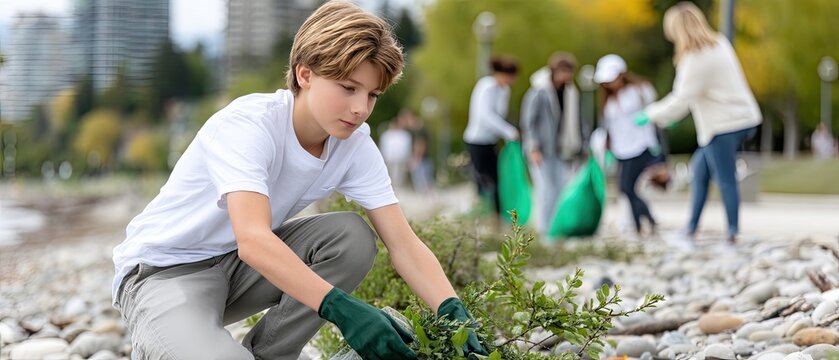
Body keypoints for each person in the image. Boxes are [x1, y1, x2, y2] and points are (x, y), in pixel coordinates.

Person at [111, 2, 486, 359]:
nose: (360, 108)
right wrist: (342, 310)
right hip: (163, 274)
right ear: (305, 73)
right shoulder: (248, 125)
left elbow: (403, 243)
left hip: (237, 271)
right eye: (348, 88)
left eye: (372, 94)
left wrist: (453, 311)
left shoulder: (354, 145)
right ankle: (166, 336)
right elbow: (254, 241)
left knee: (350, 237)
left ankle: (273, 353)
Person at [635, 1, 762, 245]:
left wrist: (650, 114)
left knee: (725, 178)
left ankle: (732, 234)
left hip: (723, 125)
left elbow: (680, 100)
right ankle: (691, 228)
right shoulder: (720, 43)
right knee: (700, 171)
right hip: (744, 118)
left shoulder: (694, 59)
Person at [594, 54, 663, 236]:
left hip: (640, 145)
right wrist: (607, 145)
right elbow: (609, 125)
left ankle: (643, 223)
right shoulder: (608, 99)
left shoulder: (640, 90)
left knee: (627, 186)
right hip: (621, 149)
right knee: (627, 188)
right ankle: (644, 222)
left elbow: (655, 113)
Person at [520, 52, 585, 237]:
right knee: (545, 189)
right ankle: (543, 229)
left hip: (562, 149)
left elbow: (577, 121)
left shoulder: (571, 92)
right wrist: (533, 147)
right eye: (564, 72)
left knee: (559, 188)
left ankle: (555, 228)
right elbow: (528, 122)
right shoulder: (538, 91)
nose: (567, 76)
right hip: (541, 150)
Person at [463, 56, 520, 215]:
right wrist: (508, 131)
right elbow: (486, 115)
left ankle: (497, 216)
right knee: (482, 180)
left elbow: (500, 114)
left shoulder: (504, 91)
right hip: (476, 140)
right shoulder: (486, 87)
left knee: (496, 179)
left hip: (491, 141)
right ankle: (481, 214)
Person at [401, 109, 435, 195]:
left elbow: (420, 144)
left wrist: (416, 159)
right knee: (425, 182)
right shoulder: (417, 128)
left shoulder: (417, 129)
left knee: (423, 183)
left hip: (421, 160)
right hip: (422, 159)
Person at [378, 116, 412, 188]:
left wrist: (407, 158)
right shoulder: (387, 134)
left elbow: (407, 148)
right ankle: (391, 188)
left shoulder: (404, 135)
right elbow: (383, 147)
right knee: (390, 174)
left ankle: (397, 188)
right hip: (389, 158)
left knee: (399, 175)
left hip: (400, 159)